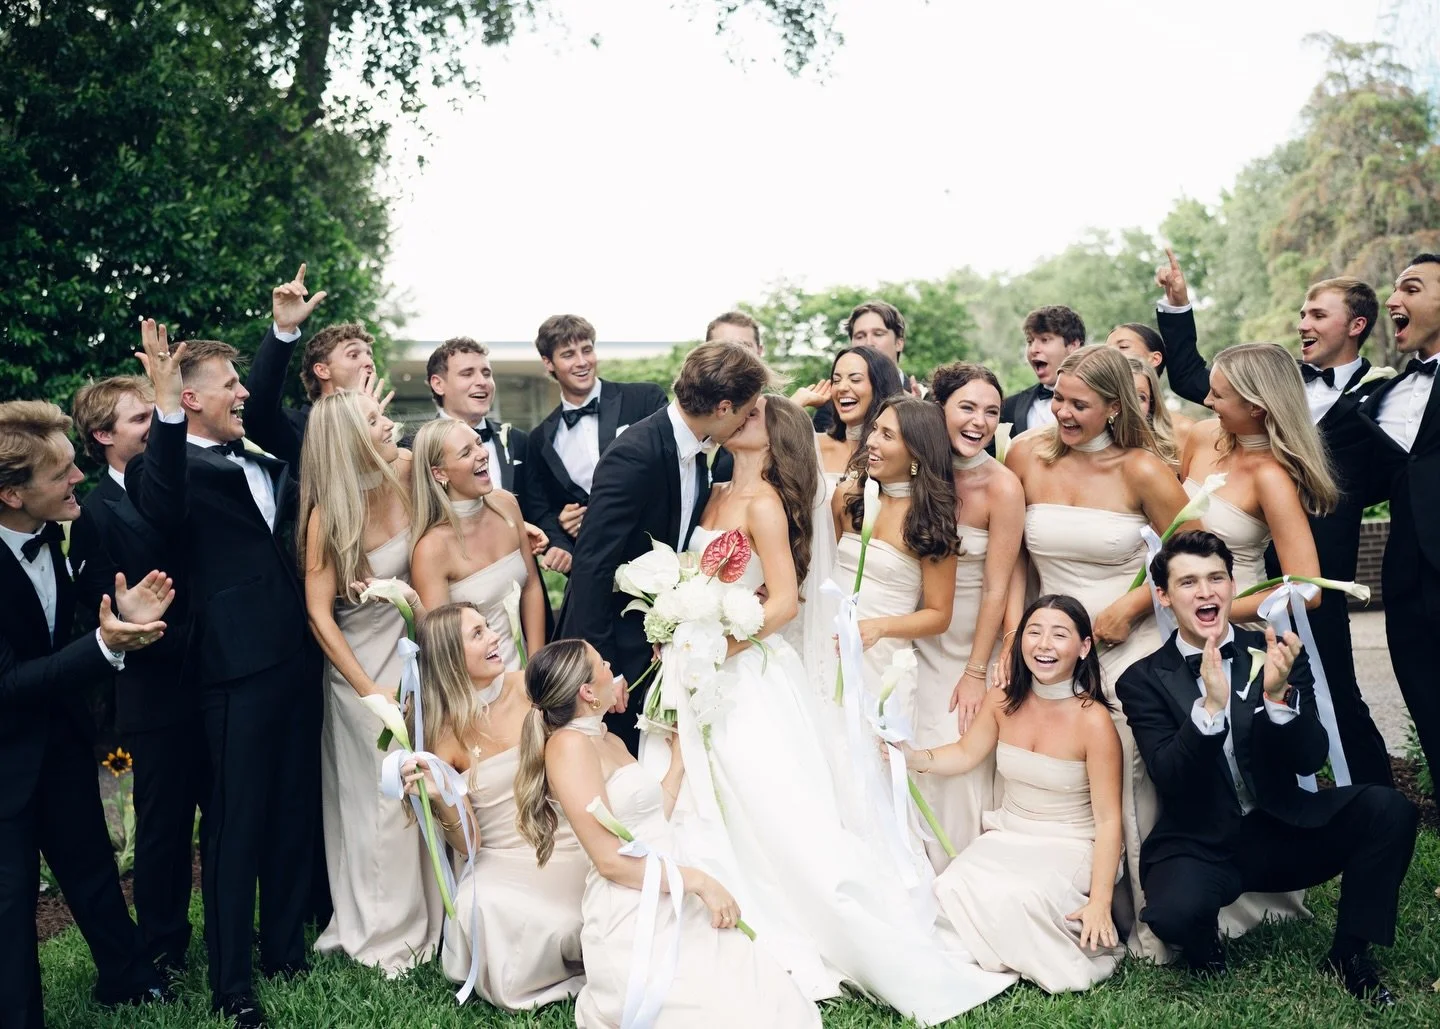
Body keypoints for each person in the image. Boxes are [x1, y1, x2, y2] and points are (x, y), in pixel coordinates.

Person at [638, 394, 1017, 1019]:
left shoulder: (786, 506)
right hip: (731, 654)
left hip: (814, 655)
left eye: (889, 433)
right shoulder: (736, 496)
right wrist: (679, 619)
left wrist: (722, 638)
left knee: (806, 789)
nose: (737, 420)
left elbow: (796, 598)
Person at [1119, 531, 1418, 1004]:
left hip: (1282, 828)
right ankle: (1205, 952)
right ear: (1164, 596)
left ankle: (1349, 955)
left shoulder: (1276, 652)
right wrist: (1210, 712)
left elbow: (1308, 756)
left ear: (1233, 585)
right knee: (1173, 915)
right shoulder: (1142, 680)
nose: (1206, 592)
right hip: (1200, 842)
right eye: (1189, 582)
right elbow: (1170, 775)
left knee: (1389, 809)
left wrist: (1279, 699)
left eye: (1216, 577)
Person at [127, 320, 316, 1028]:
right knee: (236, 824)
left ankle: (286, 949)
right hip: (235, 668)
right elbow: (164, 505)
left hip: (299, 653)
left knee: (293, 806)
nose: (242, 393)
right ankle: (233, 981)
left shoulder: (261, 457)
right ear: (193, 399)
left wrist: (284, 334)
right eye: (229, 384)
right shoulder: (162, 464)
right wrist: (166, 406)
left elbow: (264, 402)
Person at [514, 638, 822, 1028]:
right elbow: (609, 860)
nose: (612, 667)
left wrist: (678, 760)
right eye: (602, 664)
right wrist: (699, 882)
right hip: (633, 910)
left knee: (766, 997)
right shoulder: (569, 747)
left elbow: (644, 819)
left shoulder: (604, 737)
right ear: (587, 692)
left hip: (667, 885)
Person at [1004, 343, 1194, 960]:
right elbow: (1013, 562)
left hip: (1121, 638)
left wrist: (1134, 606)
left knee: (1128, 766)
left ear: (1115, 407)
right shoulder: (1026, 456)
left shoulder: (1141, 469)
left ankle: (1143, 917)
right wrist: (1018, 634)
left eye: (1078, 404)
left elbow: (1190, 551)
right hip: (1048, 639)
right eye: (1057, 397)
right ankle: (1066, 898)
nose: (1060, 411)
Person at [0, 399, 175, 1029]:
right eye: (62, 474)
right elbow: (10, 680)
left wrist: (121, 610)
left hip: (61, 739)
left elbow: (89, 603)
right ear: (12, 495)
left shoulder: (63, 530)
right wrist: (104, 646)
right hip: (4, 756)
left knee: (91, 868)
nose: (79, 479)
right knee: (12, 901)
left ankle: (130, 979)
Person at [556, 341, 772, 754]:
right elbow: (592, 567)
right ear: (724, 407)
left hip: (659, 643)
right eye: (746, 411)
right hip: (615, 652)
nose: (747, 421)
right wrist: (606, 671)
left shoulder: (695, 450)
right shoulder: (636, 454)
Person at [908, 594, 1123, 993]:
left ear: (1084, 647)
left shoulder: (1094, 721)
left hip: (1068, 844)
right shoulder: (1002, 700)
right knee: (951, 887)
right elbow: (964, 753)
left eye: (1059, 635)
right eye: (1034, 632)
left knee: (1021, 899)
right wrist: (909, 757)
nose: (1043, 645)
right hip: (1009, 835)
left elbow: (1109, 821)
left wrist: (1100, 901)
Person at [298, 391, 442, 973]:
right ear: (351, 441)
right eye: (378, 422)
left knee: (426, 788)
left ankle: (435, 915)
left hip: (417, 654)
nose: (393, 426)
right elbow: (317, 614)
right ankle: (385, 930)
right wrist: (369, 692)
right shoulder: (327, 515)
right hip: (360, 667)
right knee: (380, 800)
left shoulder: (407, 472)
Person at [69, 376, 205, 978]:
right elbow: (90, 609)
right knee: (164, 827)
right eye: (138, 420)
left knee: (222, 811)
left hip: (215, 674)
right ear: (103, 437)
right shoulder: (96, 513)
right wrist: (123, 617)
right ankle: (164, 944)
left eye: (157, 415)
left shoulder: (182, 478)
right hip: (153, 693)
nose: (155, 427)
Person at [400, 603, 587, 1009]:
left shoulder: (532, 688)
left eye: (489, 627)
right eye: (478, 634)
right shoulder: (442, 732)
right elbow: (469, 845)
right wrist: (440, 797)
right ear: (451, 657)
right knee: (480, 906)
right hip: (500, 856)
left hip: (567, 837)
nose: (495, 636)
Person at [912, 362, 1024, 863]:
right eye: (967, 407)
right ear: (940, 409)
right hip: (912, 634)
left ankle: (958, 868)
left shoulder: (1002, 486)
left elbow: (998, 589)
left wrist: (978, 670)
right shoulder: (915, 472)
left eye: (991, 412)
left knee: (953, 742)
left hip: (969, 643)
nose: (979, 421)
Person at [831, 396, 958, 731]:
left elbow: (939, 615)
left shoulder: (929, 522)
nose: (871, 441)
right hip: (830, 646)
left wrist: (880, 627)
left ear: (916, 451)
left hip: (883, 662)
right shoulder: (848, 497)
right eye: (875, 430)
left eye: (887, 435)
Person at [1360, 253, 1440, 782]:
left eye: (1410, 288)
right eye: (1393, 291)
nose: (1393, 300)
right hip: (1407, 583)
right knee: (1431, 711)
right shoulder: (1381, 396)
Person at [523, 314, 667, 576]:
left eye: (587, 350)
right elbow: (540, 509)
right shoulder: (540, 440)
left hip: (661, 556)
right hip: (594, 569)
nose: (582, 362)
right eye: (568, 354)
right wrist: (559, 530)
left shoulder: (645, 399)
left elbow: (674, 468)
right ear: (548, 363)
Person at [410, 418, 545, 668]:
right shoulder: (432, 549)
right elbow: (441, 646)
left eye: (479, 443)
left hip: (525, 674)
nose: (482, 454)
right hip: (475, 688)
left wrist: (535, 669)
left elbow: (532, 586)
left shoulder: (507, 504)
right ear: (439, 473)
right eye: (466, 452)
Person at [244, 263, 385, 448]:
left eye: (369, 355)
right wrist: (285, 328)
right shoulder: (297, 429)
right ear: (322, 370)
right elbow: (257, 409)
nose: (369, 363)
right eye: (353, 355)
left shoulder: (385, 429)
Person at [420, 336, 529, 502]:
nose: (482, 382)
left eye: (486, 374)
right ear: (438, 385)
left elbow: (537, 508)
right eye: (467, 374)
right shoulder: (414, 449)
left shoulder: (519, 440)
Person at [799, 346, 904, 506]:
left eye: (855, 379)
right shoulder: (810, 445)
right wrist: (797, 402)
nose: (842, 388)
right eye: (836, 380)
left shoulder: (895, 453)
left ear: (879, 387)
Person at [1115, 247, 1213, 406]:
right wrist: (1177, 305)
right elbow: (1189, 378)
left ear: (1154, 358)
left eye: (1123, 346)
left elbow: (1189, 378)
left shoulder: (1182, 428)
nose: (1111, 353)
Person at [810, 300, 923, 433]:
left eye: (878, 334)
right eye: (860, 336)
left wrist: (918, 415)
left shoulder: (926, 399)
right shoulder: (832, 405)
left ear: (899, 343)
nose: (868, 343)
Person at [1002, 305, 1085, 435]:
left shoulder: (1103, 400)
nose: (1033, 349)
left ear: (1073, 345)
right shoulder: (1009, 407)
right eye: (1030, 341)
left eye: (1045, 340)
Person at [1126, 353, 1192, 468]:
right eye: (1124, 394)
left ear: (1151, 403)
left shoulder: (1174, 443)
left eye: (1140, 397)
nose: (1132, 404)